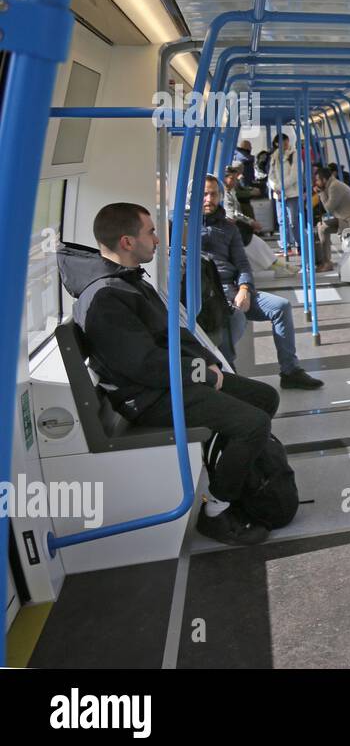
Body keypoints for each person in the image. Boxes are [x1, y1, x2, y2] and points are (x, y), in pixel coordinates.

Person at [55, 203, 279, 546]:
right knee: (253, 424)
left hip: (168, 382)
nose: (159, 240)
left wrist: (209, 363)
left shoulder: (127, 281)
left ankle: (235, 474)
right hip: (148, 397)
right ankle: (216, 511)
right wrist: (203, 375)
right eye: (151, 232)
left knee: (265, 397)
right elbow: (143, 364)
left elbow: (171, 336)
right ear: (128, 242)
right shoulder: (105, 297)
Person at [200, 175, 323, 390]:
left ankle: (290, 370)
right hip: (204, 293)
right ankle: (229, 374)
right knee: (231, 317)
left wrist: (245, 288)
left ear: (220, 196)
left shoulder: (229, 228)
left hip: (232, 289)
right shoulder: (181, 227)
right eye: (204, 194)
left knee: (280, 307)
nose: (209, 199)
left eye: (213, 194)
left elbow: (242, 264)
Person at [313, 165, 350, 272]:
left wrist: (321, 193)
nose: (316, 183)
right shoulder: (331, 185)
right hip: (343, 218)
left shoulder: (334, 186)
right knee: (321, 227)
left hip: (349, 220)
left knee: (322, 228)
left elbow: (329, 208)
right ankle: (326, 261)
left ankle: (327, 262)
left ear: (324, 179)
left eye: (317, 180)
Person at [267, 133, 300, 254]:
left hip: (292, 193)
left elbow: (295, 175)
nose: (285, 144)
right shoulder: (274, 157)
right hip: (279, 194)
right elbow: (271, 175)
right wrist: (274, 186)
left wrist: (280, 187)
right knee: (281, 220)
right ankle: (285, 246)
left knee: (293, 220)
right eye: (282, 142)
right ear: (276, 144)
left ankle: (298, 243)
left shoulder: (294, 155)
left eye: (286, 141)